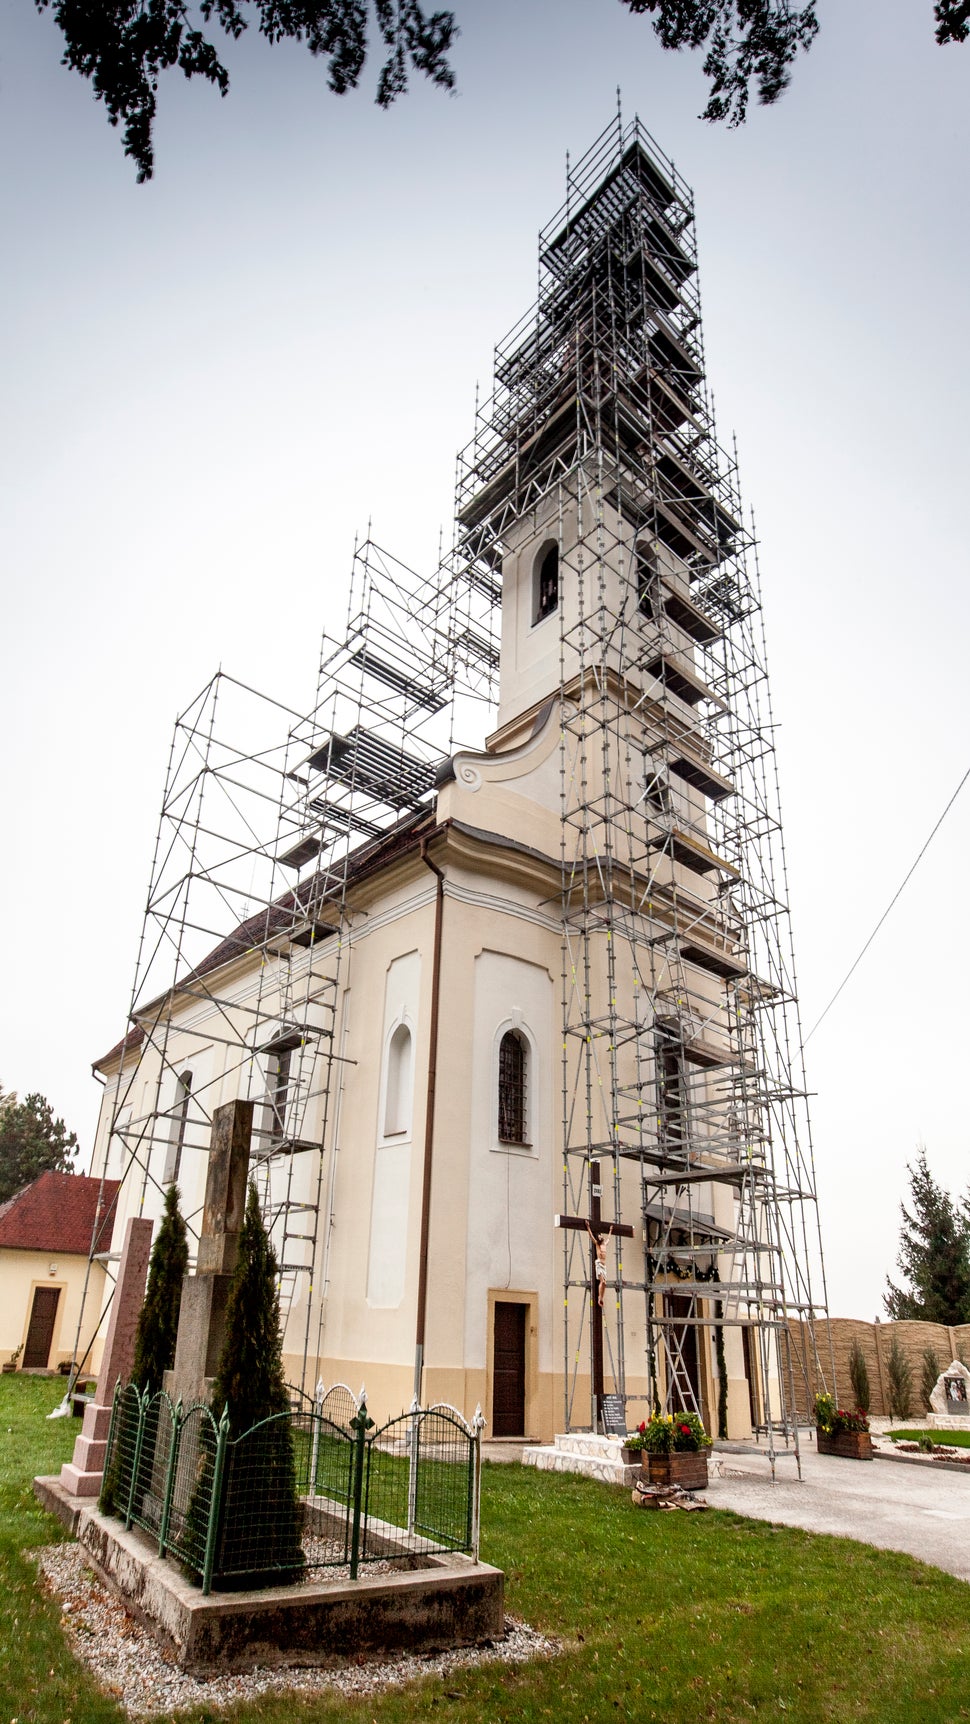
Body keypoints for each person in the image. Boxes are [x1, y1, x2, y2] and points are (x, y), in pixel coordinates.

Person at [586, 1219, 614, 1309]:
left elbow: (609, 1238)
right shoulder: (597, 1245)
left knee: (605, 1283)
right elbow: (591, 1237)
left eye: (601, 1236)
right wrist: (588, 1227)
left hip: (604, 1265)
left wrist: (610, 1231)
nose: (600, 1237)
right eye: (599, 1236)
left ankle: (601, 1297)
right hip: (599, 1264)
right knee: (602, 1281)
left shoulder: (604, 1244)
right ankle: (599, 1298)